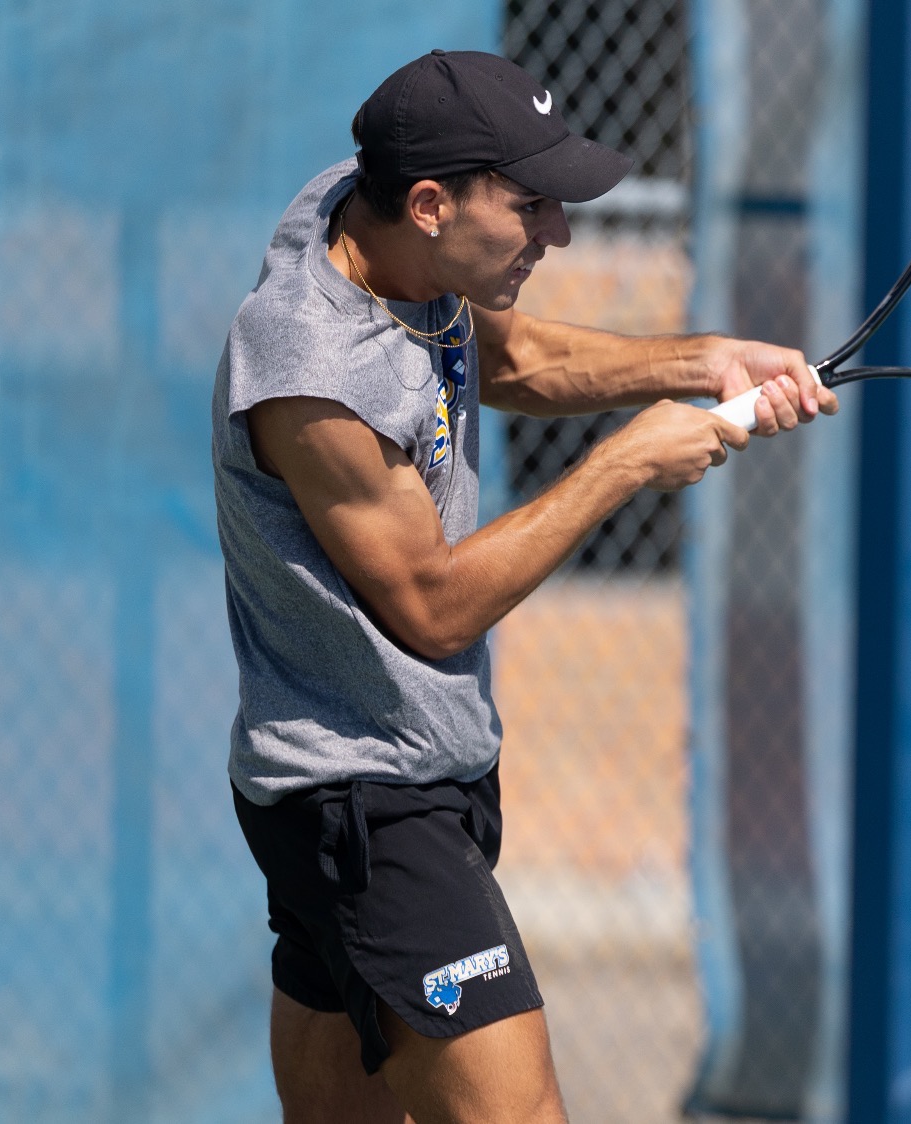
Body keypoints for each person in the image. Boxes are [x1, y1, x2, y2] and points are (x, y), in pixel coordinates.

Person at [211, 50, 836, 1124]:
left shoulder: (375, 224)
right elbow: (431, 605)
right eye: (531, 206)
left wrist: (704, 359)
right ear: (429, 201)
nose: (557, 234)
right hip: (367, 798)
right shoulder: (313, 369)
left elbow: (508, 361)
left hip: (398, 778)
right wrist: (626, 464)